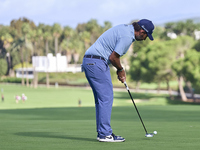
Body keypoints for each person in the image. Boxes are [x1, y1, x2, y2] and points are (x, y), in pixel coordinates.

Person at [82, 19, 154, 142]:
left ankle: (103, 133)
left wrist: (118, 69)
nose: (145, 38)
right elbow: (114, 57)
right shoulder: (127, 36)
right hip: (97, 62)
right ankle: (105, 134)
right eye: (146, 35)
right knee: (106, 97)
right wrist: (121, 69)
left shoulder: (125, 29)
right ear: (142, 31)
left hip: (90, 61)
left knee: (101, 100)